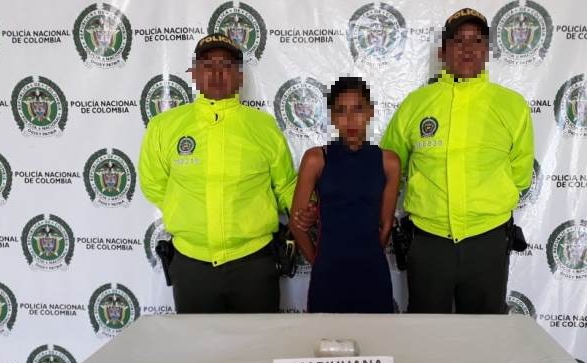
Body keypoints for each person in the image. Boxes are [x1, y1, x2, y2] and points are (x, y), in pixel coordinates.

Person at [380, 8, 534, 314]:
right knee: (426, 331)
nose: (467, 48)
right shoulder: (416, 104)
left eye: (477, 40)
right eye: (458, 40)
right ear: (442, 51)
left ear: (487, 51)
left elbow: (520, 175)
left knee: (484, 332)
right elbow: (389, 165)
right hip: (428, 242)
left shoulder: (512, 106)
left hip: (487, 241)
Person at [138, 33, 296, 313]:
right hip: (191, 265)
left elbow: (285, 186)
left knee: (259, 340)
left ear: (240, 77)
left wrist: (310, 216)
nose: (217, 74)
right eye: (208, 66)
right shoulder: (164, 127)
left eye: (226, 66)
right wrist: (186, 212)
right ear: (195, 74)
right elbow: (154, 184)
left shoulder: (263, 127)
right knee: (199, 342)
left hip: (254, 263)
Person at [289, 77, 401, 313]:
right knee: (325, 336)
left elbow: (386, 224)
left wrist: (369, 256)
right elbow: (296, 224)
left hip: (373, 275)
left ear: (370, 112)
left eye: (358, 109)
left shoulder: (388, 162)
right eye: (341, 111)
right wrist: (319, 261)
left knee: (377, 335)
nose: (350, 120)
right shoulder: (316, 159)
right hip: (328, 276)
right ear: (331, 116)